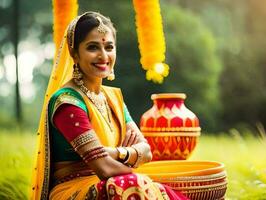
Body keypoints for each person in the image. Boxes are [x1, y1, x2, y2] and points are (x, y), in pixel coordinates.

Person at [31, 11, 188, 200]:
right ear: (74, 53)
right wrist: (132, 161)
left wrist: (115, 152)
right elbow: (104, 168)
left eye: (109, 47)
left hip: (114, 181)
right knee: (134, 184)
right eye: (92, 47)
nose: (103, 56)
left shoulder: (113, 98)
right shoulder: (67, 102)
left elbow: (146, 152)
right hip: (74, 189)